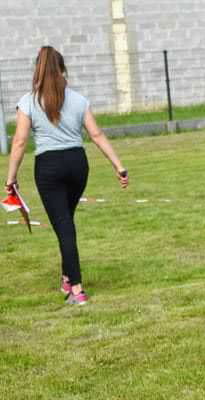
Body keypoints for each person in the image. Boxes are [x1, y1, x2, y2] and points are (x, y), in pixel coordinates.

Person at [4, 46, 129, 306]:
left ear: (37, 70)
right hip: (77, 165)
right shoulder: (79, 99)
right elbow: (96, 135)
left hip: (49, 168)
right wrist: (119, 166)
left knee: (64, 226)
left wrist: (10, 178)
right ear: (62, 69)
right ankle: (66, 276)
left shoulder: (28, 101)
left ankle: (77, 290)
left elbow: (19, 142)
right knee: (65, 222)